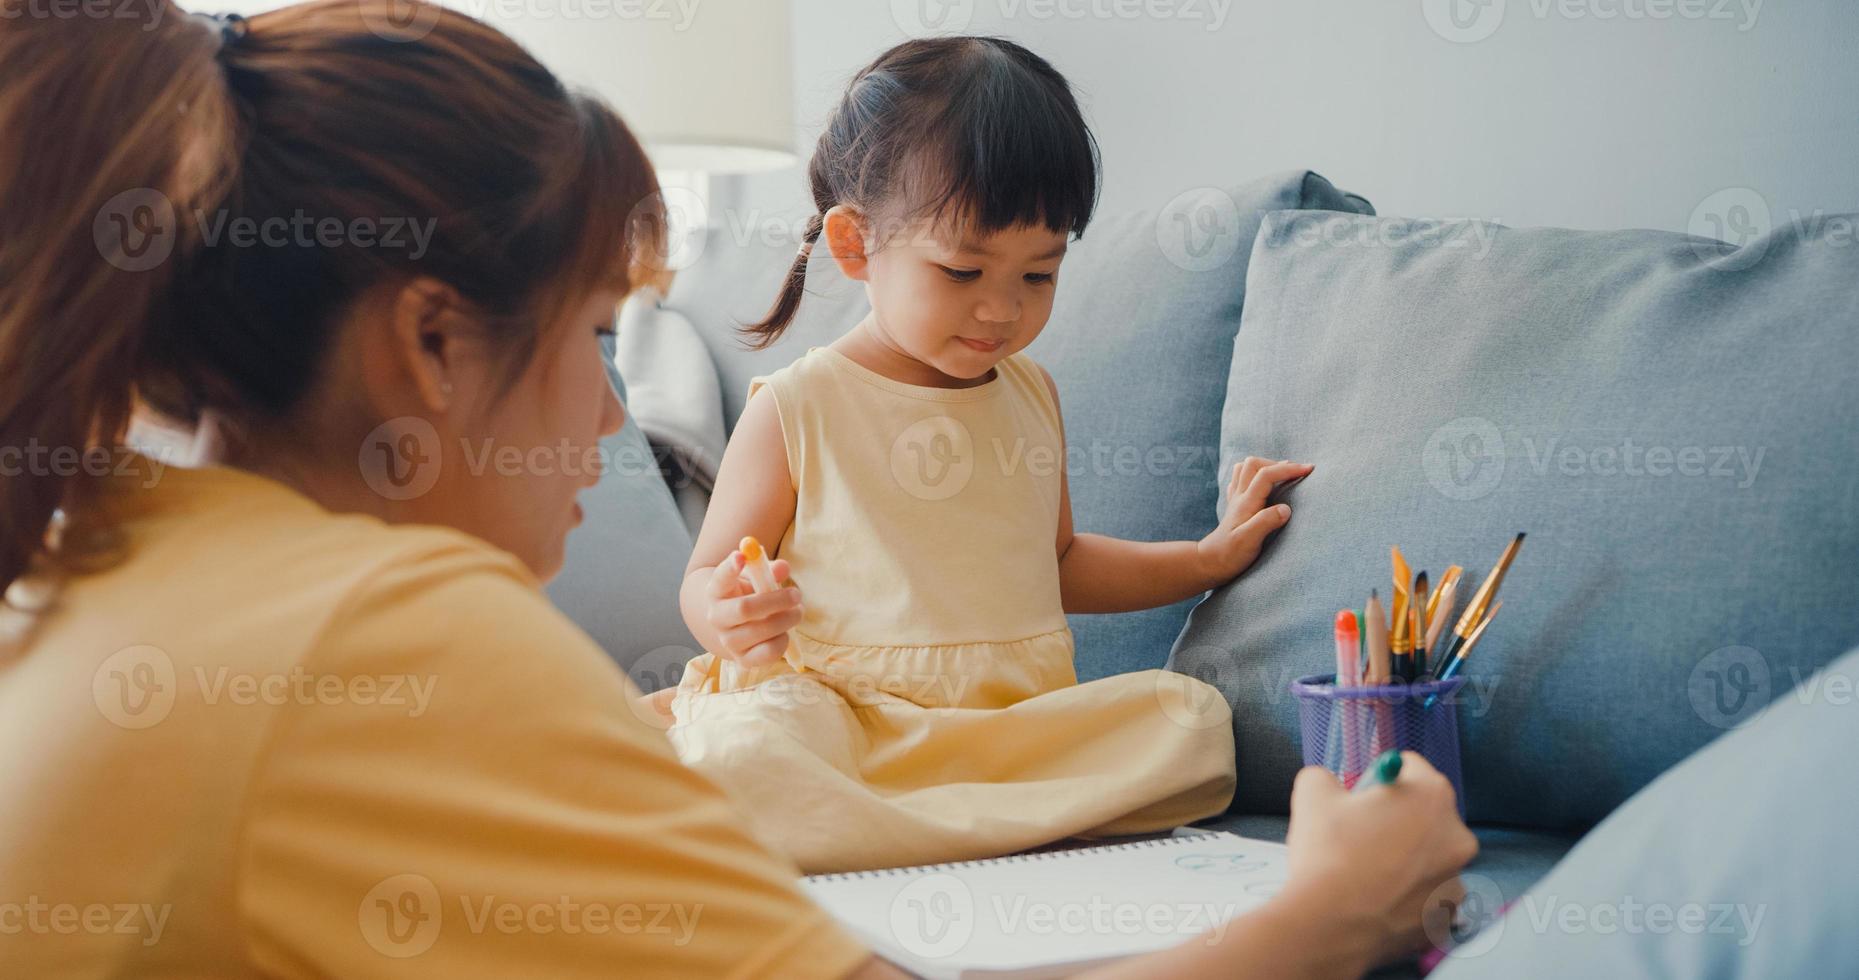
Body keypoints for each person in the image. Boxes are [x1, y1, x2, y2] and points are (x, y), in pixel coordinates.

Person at [0, 4, 1473, 976]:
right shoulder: (384, 633)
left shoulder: (92, 556)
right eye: (591, 335)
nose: (611, 411)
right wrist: (1324, 913)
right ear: (427, 344)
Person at [668, 36, 1317, 875]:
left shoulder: (1031, 394)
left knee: (1188, 723)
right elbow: (706, 577)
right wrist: (726, 612)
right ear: (855, 245)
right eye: (964, 270)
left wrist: (1204, 558)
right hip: (851, 723)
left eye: (1038, 276)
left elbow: (1060, 563)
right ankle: (932, 820)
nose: (1001, 310)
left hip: (1008, 734)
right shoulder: (799, 406)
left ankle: (908, 825)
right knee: (752, 751)